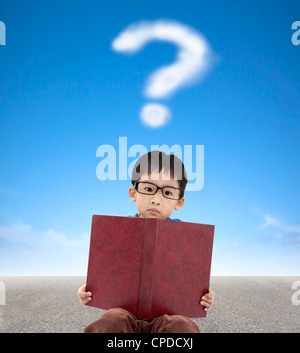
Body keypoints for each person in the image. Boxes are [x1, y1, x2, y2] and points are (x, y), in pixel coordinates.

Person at [78, 151, 215, 333]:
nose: (156, 200)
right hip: (123, 312)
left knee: (184, 327)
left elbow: (192, 281)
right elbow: (103, 272)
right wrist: (88, 291)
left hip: (169, 316)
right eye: (149, 189)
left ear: (179, 202)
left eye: (167, 192)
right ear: (133, 193)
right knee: (109, 322)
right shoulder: (117, 231)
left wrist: (205, 298)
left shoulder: (188, 239)